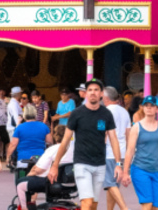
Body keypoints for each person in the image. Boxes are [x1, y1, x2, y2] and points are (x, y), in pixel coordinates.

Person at [47, 79, 123, 210]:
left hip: (100, 165)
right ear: (86, 93)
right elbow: (65, 141)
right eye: (90, 90)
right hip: (82, 164)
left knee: (93, 205)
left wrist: (118, 164)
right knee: (86, 203)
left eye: (96, 90)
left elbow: (113, 139)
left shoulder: (106, 114)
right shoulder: (77, 114)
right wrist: (55, 165)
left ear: (101, 94)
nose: (93, 93)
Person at [120, 95, 158, 210]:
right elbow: (130, 150)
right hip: (140, 169)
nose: (149, 108)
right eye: (146, 106)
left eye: (152, 106)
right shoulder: (137, 127)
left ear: (157, 109)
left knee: (157, 207)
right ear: (142, 108)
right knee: (147, 204)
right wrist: (125, 172)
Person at [15, 126, 72, 210]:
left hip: (50, 181)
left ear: (56, 136)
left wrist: (29, 175)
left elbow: (38, 170)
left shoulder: (52, 149)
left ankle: (24, 207)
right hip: (70, 183)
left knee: (20, 183)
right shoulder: (75, 149)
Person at [103, 88, 131, 210]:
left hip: (110, 151)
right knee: (114, 184)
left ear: (106, 98)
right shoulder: (124, 112)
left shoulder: (104, 112)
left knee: (109, 183)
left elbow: (102, 131)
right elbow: (128, 133)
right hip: (123, 150)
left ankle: (124, 208)